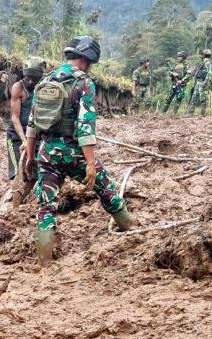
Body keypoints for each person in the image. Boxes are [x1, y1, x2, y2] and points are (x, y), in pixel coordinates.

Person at [24, 36, 133, 264]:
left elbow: (32, 123)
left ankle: (44, 262)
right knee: (106, 190)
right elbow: (86, 126)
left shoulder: (45, 81)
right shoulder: (84, 83)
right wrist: (91, 163)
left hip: (46, 153)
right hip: (74, 154)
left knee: (45, 207)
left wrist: (31, 157)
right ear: (86, 59)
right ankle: (129, 231)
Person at [6, 57, 45, 181]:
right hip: (17, 136)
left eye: (35, 79)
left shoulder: (43, 87)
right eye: (29, 78)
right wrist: (24, 140)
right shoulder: (18, 87)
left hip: (34, 134)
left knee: (36, 172)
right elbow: (15, 117)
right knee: (18, 173)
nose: (31, 81)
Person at [162, 50, 191, 115]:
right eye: (178, 56)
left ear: (183, 57)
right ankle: (163, 113)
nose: (178, 58)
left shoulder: (186, 65)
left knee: (178, 99)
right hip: (174, 84)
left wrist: (182, 80)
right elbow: (169, 71)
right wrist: (172, 73)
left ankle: (174, 114)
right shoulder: (176, 64)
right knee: (168, 98)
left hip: (181, 85)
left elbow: (188, 74)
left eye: (179, 56)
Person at [187, 49, 212, 116]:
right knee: (195, 97)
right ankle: (192, 113)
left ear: (204, 55)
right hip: (199, 82)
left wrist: (205, 82)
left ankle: (201, 113)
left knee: (200, 98)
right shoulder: (204, 63)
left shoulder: (208, 63)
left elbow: (209, 74)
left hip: (202, 83)